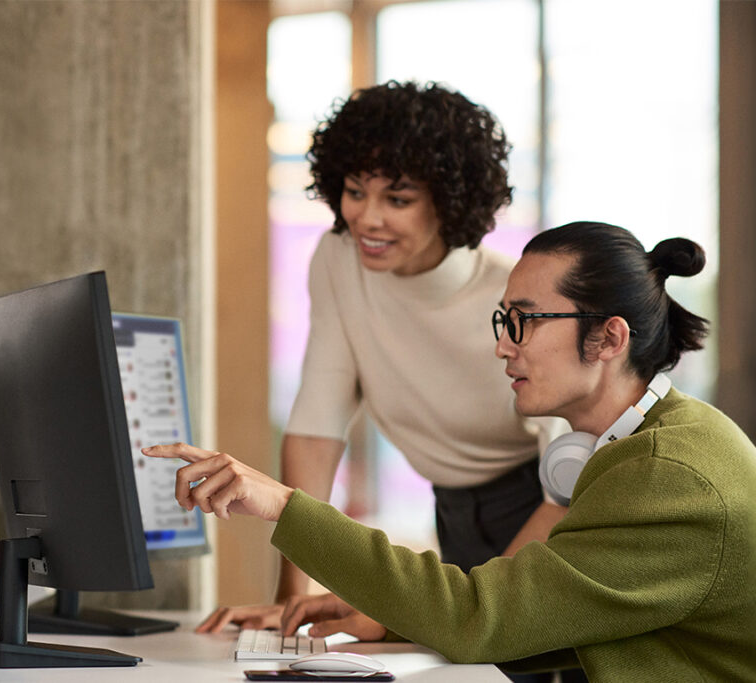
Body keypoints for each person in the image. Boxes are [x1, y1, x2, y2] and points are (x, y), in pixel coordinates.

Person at [145, 222, 756, 681]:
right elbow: (544, 618)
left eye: (525, 322)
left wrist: (283, 504)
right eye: (502, 322)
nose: (503, 347)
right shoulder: (643, 448)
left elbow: (478, 618)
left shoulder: (666, 476)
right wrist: (388, 616)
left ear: (608, 337)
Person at [203, 80, 567, 637]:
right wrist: (289, 601)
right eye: (354, 191)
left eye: (398, 199)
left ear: (448, 201)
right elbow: (316, 427)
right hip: (452, 513)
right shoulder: (337, 259)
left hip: (549, 508)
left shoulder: (513, 295)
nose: (367, 219)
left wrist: (444, 613)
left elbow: (567, 484)